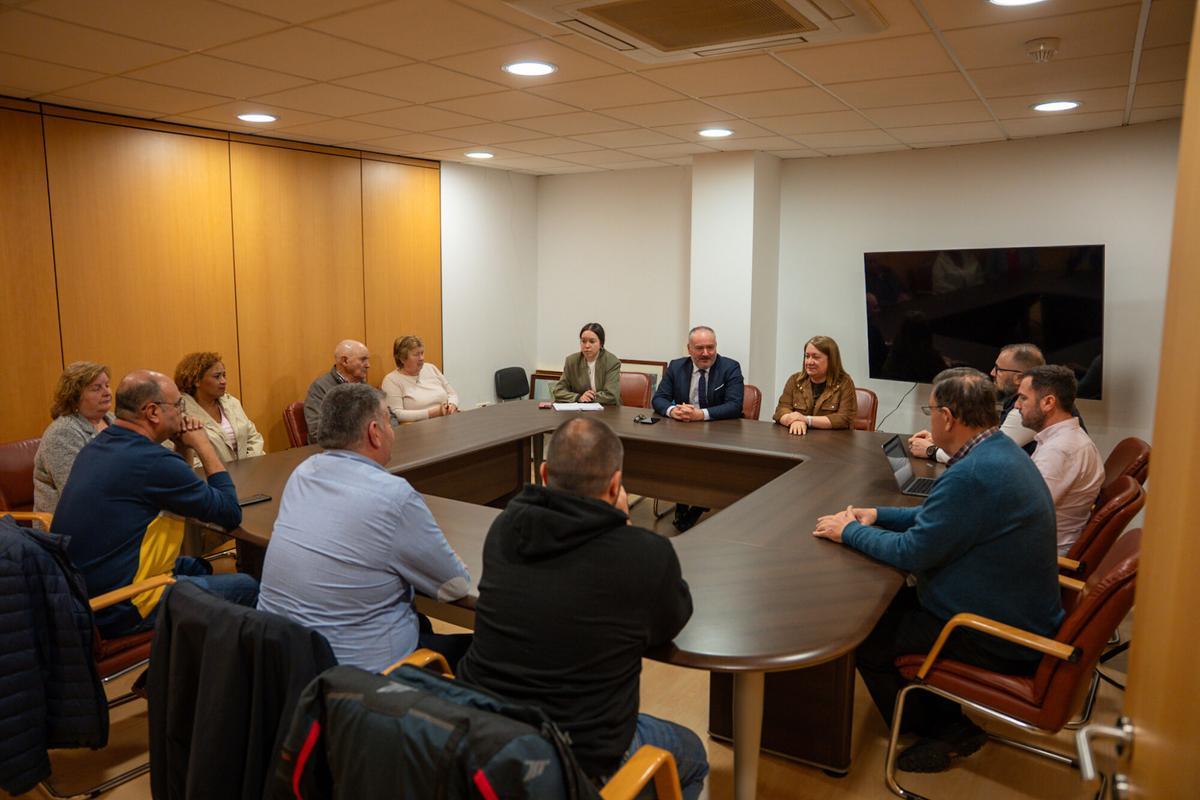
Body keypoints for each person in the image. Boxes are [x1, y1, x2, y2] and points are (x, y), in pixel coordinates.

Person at [813, 368, 1062, 774]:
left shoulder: (974, 474)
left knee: (865, 636)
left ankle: (947, 729)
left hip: (993, 631)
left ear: (947, 418)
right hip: (1014, 609)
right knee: (878, 610)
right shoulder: (996, 451)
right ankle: (937, 716)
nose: (928, 420)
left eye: (930, 412)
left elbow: (912, 552)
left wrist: (851, 532)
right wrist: (876, 514)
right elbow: (937, 516)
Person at [457, 417, 707, 799]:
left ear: (543, 473)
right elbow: (671, 620)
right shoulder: (645, 554)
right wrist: (619, 527)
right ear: (615, 483)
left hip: (485, 732)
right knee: (692, 753)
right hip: (580, 755)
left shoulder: (506, 528)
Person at [256, 383, 472, 672]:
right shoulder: (394, 495)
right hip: (361, 682)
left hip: (285, 665)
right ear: (374, 432)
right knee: (484, 650)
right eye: (388, 421)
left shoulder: (302, 473)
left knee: (419, 620)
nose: (393, 431)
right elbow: (454, 585)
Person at [53, 370, 256, 637]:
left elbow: (176, 493)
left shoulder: (99, 445)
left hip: (79, 593)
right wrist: (204, 445)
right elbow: (229, 514)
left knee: (197, 567)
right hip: (119, 604)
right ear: (152, 412)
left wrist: (184, 449)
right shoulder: (153, 462)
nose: (182, 412)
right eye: (178, 405)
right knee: (247, 586)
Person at [652, 325, 744, 532]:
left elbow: (735, 405)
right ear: (689, 349)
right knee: (675, 457)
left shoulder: (730, 367)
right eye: (700, 348)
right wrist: (672, 410)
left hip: (720, 431)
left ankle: (699, 503)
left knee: (709, 460)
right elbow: (659, 398)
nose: (706, 353)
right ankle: (682, 500)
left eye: (710, 347)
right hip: (683, 431)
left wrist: (700, 415)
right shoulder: (676, 367)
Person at [1014, 365, 1104, 554]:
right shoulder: (1060, 440)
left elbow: (1022, 512)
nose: (1017, 405)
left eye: (1023, 398)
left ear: (1048, 403)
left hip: (1035, 555)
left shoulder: (1060, 450)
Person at [908, 342, 1043, 463]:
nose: (992, 373)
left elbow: (986, 455)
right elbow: (983, 444)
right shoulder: (1016, 402)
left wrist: (932, 451)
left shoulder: (1026, 410)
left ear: (1018, 378)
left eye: (998, 369)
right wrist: (941, 441)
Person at [33, 361, 114, 514]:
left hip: (107, 508)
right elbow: (78, 492)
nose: (107, 392)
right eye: (96, 388)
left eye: (107, 385)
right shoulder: (62, 433)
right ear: (75, 396)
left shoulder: (112, 419)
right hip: (69, 521)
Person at [174, 351, 265, 465]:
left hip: (249, 473)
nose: (223, 381)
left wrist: (249, 467)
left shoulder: (232, 402)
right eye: (217, 376)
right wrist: (221, 473)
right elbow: (187, 460)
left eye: (224, 375)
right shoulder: (179, 412)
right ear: (196, 380)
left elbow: (253, 438)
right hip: (210, 478)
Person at [305, 339, 390, 442]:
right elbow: (317, 432)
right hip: (337, 451)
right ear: (345, 361)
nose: (368, 365)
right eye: (363, 360)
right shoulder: (320, 388)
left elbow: (387, 414)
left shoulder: (363, 385)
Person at [772, 335, 858, 435]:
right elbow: (781, 410)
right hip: (798, 440)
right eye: (807, 356)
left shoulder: (845, 383)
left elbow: (844, 418)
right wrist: (795, 420)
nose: (809, 362)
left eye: (816, 357)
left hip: (833, 443)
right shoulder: (795, 380)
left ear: (831, 360)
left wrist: (807, 420)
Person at [380, 335, 461, 422]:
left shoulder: (431, 368)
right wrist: (433, 413)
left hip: (447, 420)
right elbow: (396, 414)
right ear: (402, 359)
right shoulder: (391, 380)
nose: (422, 358)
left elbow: (452, 394)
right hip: (418, 429)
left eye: (422, 353)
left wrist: (452, 405)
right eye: (416, 355)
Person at [551, 322, 621, 405]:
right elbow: (558, 391)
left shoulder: (611, 361)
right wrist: (578, 397)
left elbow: (611, 395)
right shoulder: (572, 361)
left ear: (601, 343)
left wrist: (588, 398)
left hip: (607, 411)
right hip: (579, 412)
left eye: (592, 341)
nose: (587, 346)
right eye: (583, 341)